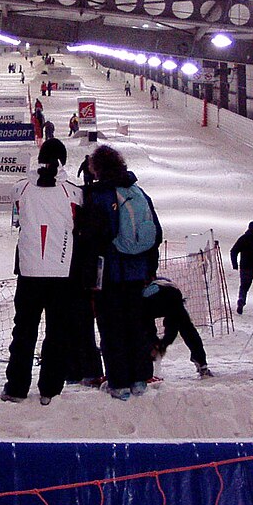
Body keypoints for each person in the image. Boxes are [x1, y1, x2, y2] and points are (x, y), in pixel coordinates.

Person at [76, 145, 162, 399]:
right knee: (136, 326)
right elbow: (156, 233)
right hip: (137, 274)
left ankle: (118, 382)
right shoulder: (138, 192)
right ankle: (140, 378)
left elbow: (93, 238)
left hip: (111, 274)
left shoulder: (99, 196)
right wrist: (149, 269)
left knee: (112, 328)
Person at [1, 139, 82, 406]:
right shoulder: (73, 192)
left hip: (29, 271)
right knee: (57, 332)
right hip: (62, 272)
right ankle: (50, 388)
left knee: (24, 331)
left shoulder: (21, 188)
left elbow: (17, 214)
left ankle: (16, 386)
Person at [145, 276, 212, 378]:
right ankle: (201, 363)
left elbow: (169, 325)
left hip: (166, 297)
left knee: (185, 328)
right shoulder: (154, 291)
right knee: (187, 329)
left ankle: (201, 362)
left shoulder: (149, 296)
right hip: (171, 295)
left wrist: (159, 344)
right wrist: (161, 343)